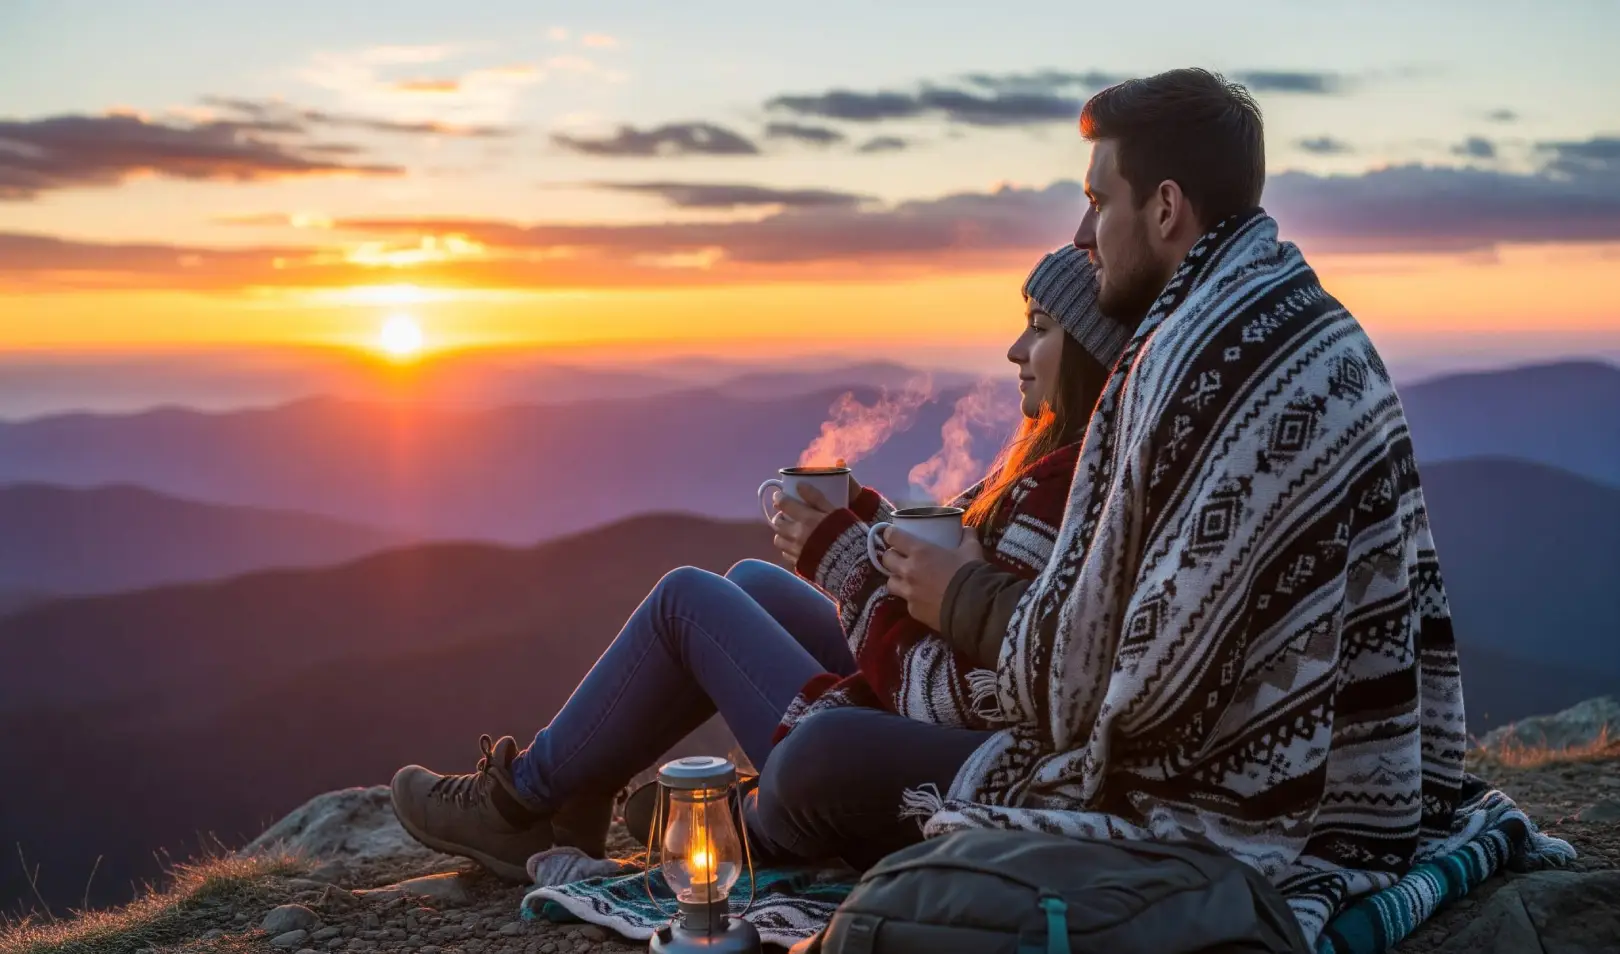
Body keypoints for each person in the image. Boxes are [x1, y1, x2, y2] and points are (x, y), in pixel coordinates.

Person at [892, 68, 1567, 949]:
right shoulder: (1314, 324)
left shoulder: (1194, 365)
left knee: (820, 766)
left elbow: (1117, 697)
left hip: (1229, 817)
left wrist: (958, 599)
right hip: (1369, 785)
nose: (1085, 233)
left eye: (1100, 201)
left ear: (1166, 206)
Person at [387, 248, 1139, 881]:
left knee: (686, 602)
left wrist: (842, 555)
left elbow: (955, 693)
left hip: (952, 743)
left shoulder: (1064, 484)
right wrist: (862, 515)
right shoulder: (1054, 459)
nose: (1014, 349)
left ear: (1089, 356)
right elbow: (949, 580)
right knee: (751, 582)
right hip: (943, 709)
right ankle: (581, 793)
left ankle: (521, 804)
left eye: (1040, 329)